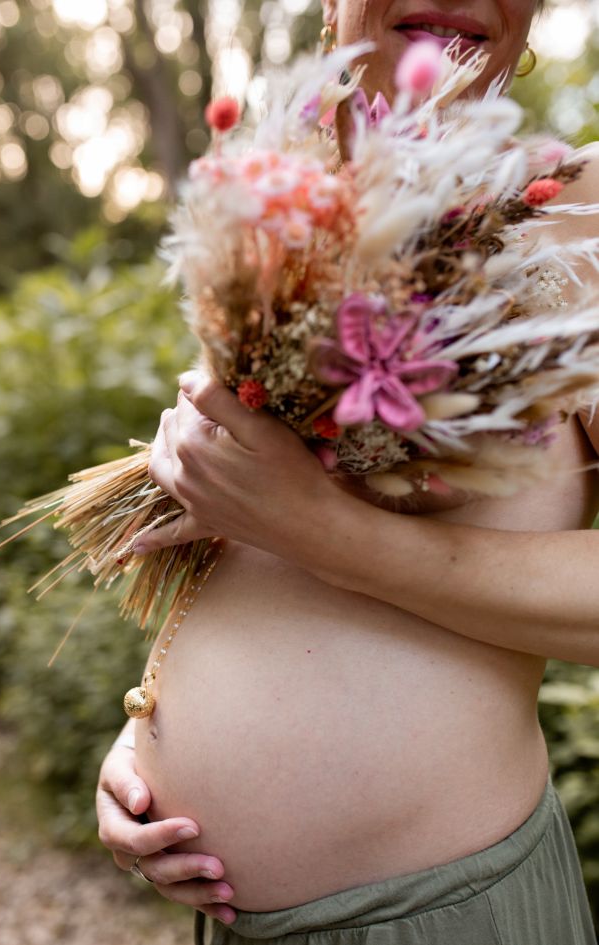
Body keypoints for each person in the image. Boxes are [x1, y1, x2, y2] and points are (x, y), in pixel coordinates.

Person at [96, 2, 599, 943]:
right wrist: (146, 731)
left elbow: (301, 531)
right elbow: (252, 565)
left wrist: (334, 537)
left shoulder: (587, 217)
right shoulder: (284, 212)